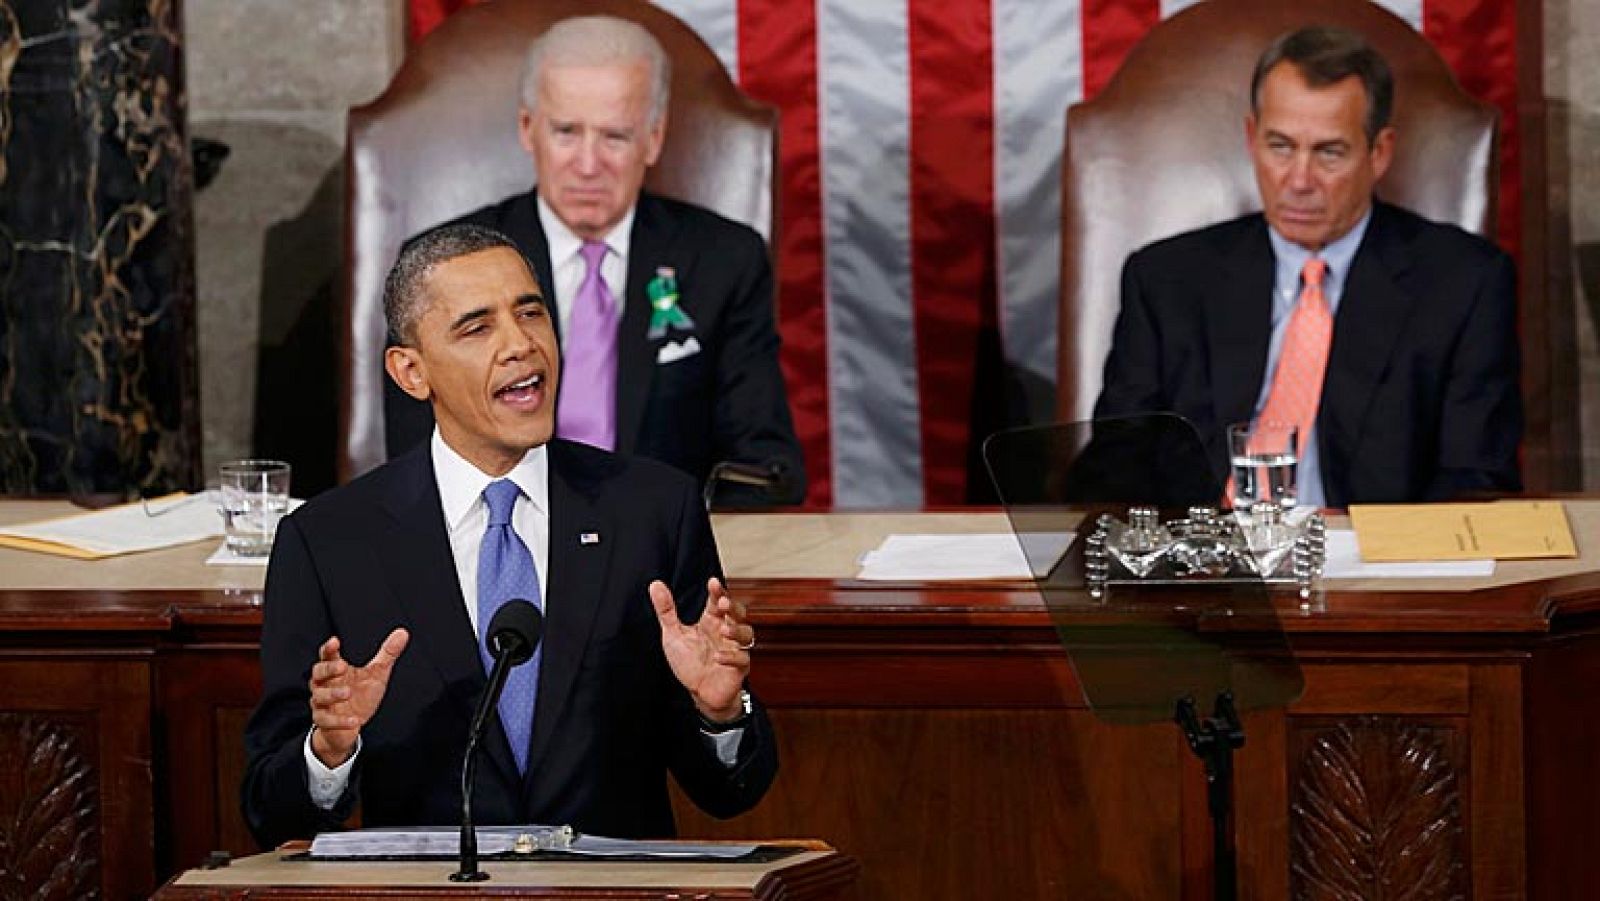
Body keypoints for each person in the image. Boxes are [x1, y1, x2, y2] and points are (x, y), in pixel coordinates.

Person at [242, 224, 776, 849]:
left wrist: (718, 711)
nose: (521, 344)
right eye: (477, 328)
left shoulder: (653, 511)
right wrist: (328, 751)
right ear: (411, 371)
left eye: (531, 313)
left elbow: (730, 792)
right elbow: (270, 811)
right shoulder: (329, 542)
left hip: (609, 891)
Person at [385, 15, 803, 506]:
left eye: (615, 136)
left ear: (653, 138)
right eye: (566, 132)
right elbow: (419, 462)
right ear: (528, 129)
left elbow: (762, 467)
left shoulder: (724, 259)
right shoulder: (444, 270)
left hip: (664, 540)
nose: (588, 165)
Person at [1094, 25, 1522, 507]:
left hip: (1372, 550)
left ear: (1379, 153)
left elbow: (1475, 478)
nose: (1299, 181)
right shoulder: (1166, 281)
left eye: (1329, 152)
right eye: (1280, 146)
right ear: (1252, 138)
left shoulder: (1464, 284)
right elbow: (1115, 465)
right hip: (1206, 548)